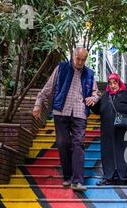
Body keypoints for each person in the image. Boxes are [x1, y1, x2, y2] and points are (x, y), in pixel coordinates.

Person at [33, 48, 100, 192]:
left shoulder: (89, 74)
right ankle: (68, 176)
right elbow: (48, 88)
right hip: (61, 111)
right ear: (73, 56)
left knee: (78, 144)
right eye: (78, 59)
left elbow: (96, 93)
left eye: (83, 60)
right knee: (62, 143)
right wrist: (38, 103)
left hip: (80, 113)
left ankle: (77, 181)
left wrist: (93, 98)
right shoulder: (61, 68)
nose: (80, 62)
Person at [91, 73, 127, 186]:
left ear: (119, 83)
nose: (113, 85)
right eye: (110, 83)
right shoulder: (105, 96)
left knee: (125, 152)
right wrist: (91, 102)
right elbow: (97, 110)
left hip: (124, 131)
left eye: (115, 83)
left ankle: (126, 176)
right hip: (107, 131)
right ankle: (109, 177)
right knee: (108, 154)